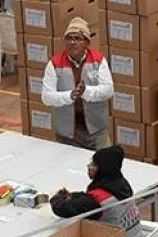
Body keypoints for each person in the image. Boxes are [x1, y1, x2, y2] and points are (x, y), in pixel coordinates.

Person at [41, 18, 114, 150]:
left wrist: (86, 92)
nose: (73, 42)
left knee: (106, 164)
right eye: (69, 38)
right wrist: (70, 95)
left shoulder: (98, 61)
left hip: (96, 131)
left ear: (87, 43)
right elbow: (46, 97)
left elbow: (108, 90)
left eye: (78, 38)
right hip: (67, 134)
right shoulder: (54, 64)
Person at [49, 145, 142, 237]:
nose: (89, 167)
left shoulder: (97, 201)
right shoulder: (121, 184)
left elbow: (62, 209)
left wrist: (56, 197)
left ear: (102, 169)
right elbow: (91, 197)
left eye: (93, 164)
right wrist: (74, 195)